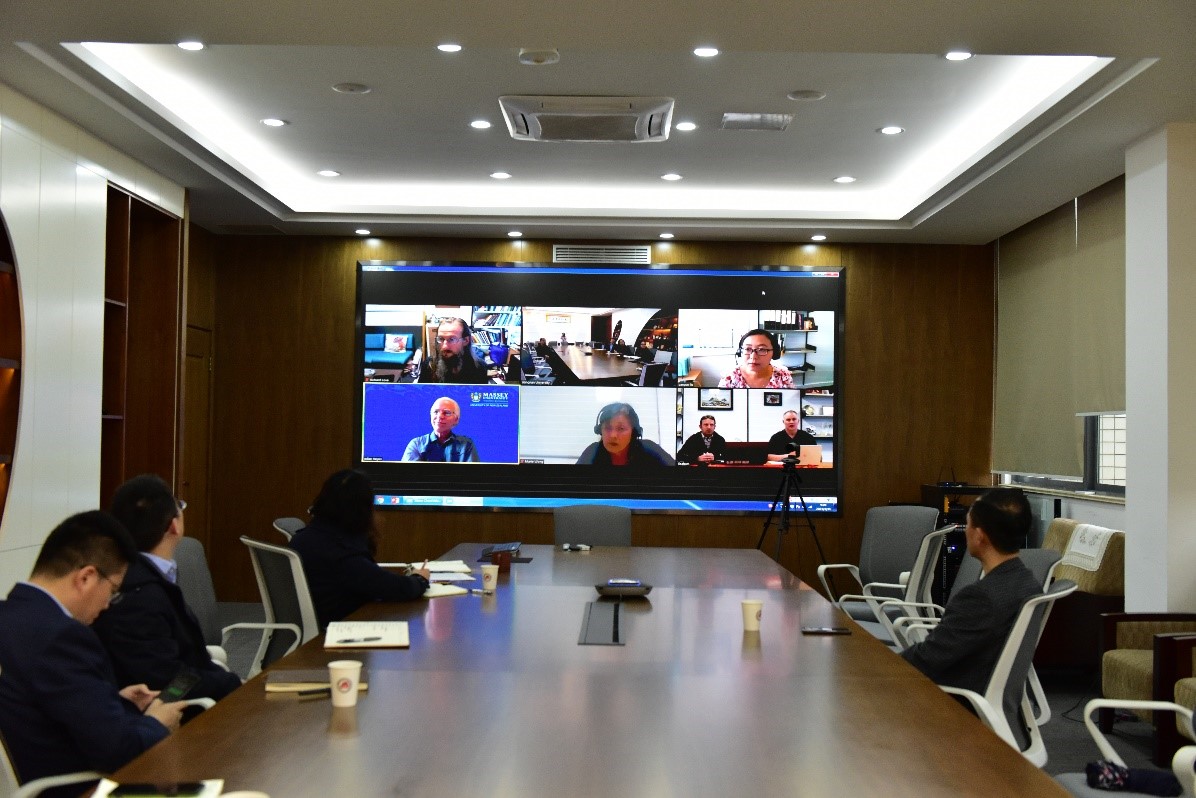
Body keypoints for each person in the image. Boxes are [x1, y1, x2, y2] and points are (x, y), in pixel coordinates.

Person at [0, 511, 185, 790]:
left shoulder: (10, 617)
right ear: (86, 577)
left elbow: (36, 702)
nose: (108, 604)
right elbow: (119, 751)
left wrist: (114, 701)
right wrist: (157, 723)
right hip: (83, 788)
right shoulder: (62, 638)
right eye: (113, 591)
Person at [92, 475, 242, 703]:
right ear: (173, 525)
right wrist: (229, 685)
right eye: (179, 506)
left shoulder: (143, 576)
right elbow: (166, 681)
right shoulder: (138, 593)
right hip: (167, 711)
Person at [900, 488, 1040, 695]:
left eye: (968, 524)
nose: (966, 531)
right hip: (994, 699)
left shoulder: (979, 598)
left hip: (954, 701)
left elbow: (927, 659)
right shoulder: (1029, 583)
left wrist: (881, 665)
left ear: (979, 536)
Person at [289, 469, 432, 628]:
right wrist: (420, 579)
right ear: (362, 510)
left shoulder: (310, 536)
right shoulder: (341, 553)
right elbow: (393, 587)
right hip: (339, 629)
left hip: (326, 620)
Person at [576, 402, 675, 467]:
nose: (613, 435)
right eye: (608, 428)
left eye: (621, 428)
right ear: (599, 430)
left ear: (633, 432)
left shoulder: (649, 449)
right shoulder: (592, 451)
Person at [402, 396, 480, 462]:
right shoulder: (417, 444)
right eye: (436, 412)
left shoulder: (466, 445)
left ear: (456, 419)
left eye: (446, 413)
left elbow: (473, 473)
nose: (440, 416)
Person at [418, 317, 489, 384]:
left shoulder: (480, 367)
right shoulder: (429, 365)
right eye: (441, 339)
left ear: (465, 340)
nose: (444, 346)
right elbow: (420, 392)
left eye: (452, 339)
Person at [718, 329, 795, 388]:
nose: (753, 356)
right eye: (748, 349)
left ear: (774, 352)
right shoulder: (729, 377)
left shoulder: (783, 376)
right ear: (740, 352)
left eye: (762, 349)